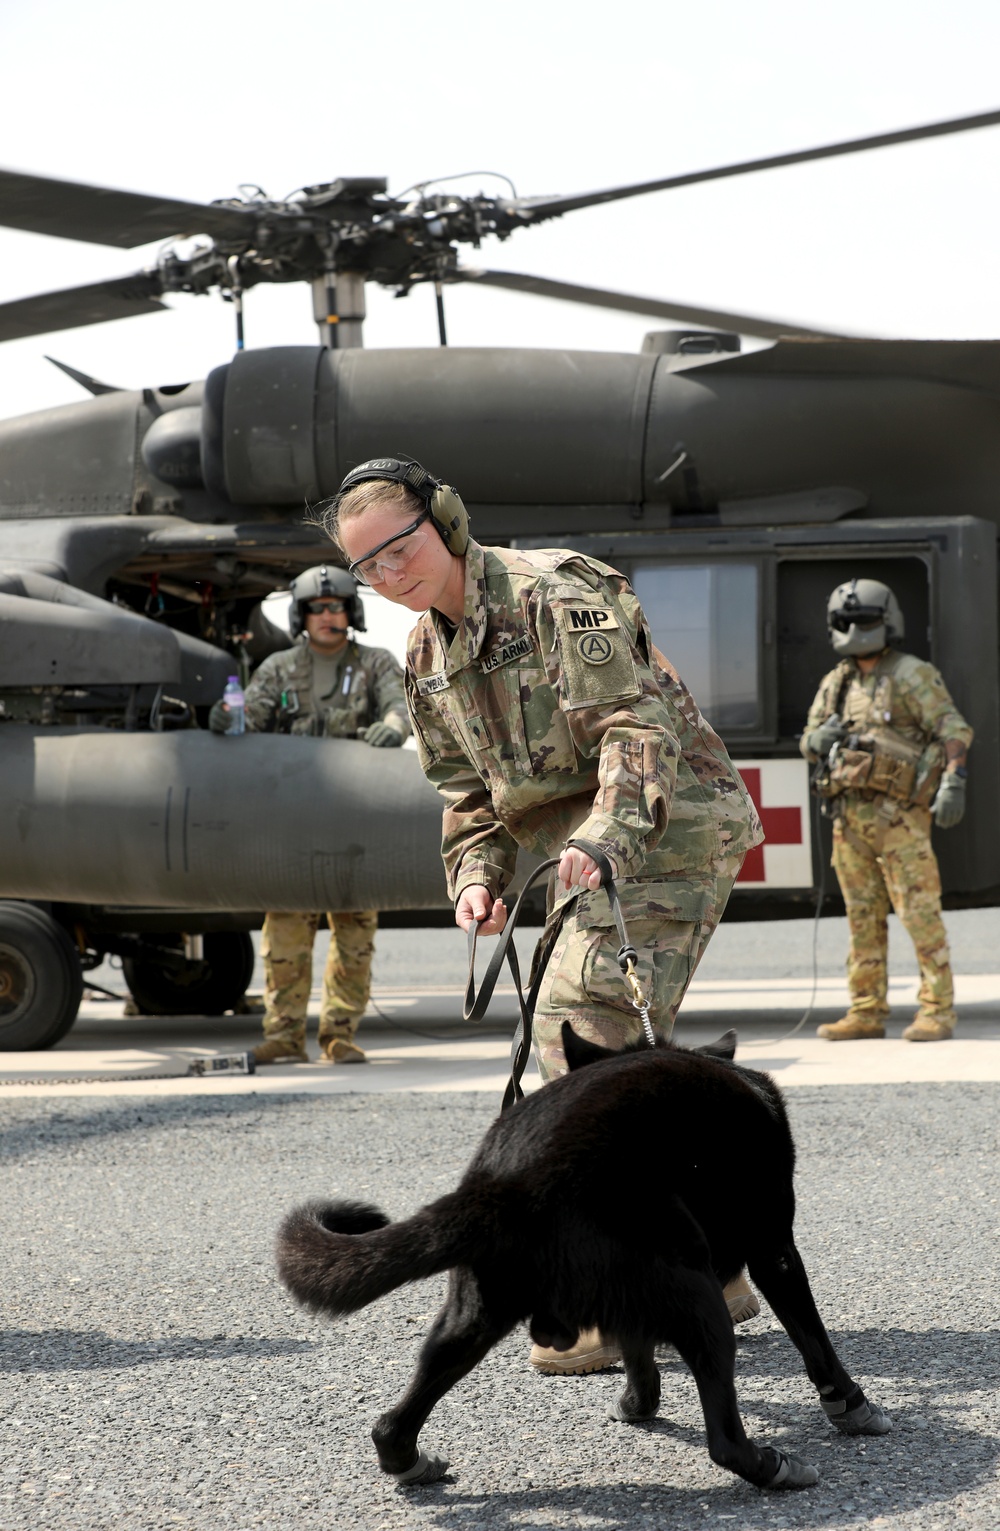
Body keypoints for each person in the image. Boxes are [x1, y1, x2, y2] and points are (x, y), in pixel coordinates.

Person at [324, 455, 765, 1374]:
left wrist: (606, 838)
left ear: (443, 521)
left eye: (399, 546)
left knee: (578, 1052)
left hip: (668, 829)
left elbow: (637, 734)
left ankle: (609, 1299)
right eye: (367, 567)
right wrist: (477, 876)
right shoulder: (422, 655)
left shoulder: (551, 596)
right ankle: (714, 1270)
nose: (389, 574)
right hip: (583, 859)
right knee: (624, 1075)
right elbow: (467, 792)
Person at [209, 564, 410, 1065]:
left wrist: (392, 726)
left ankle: (339, 1033)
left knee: (355, 936)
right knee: (284, 936)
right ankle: (283, 1035)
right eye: (317, 608)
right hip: (292, 827)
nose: (327, 615)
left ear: (351, 612)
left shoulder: (377, 665)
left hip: (355, 825)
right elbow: (247, 720)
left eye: (336, 606)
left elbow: (400, 708)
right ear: (302, 616)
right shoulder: (277, 669)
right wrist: (225, 717)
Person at [801, 577, 972, 1043]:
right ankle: (866, 1010)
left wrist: (953, 780)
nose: (855, 630)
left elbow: (953, 729)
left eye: (864, 621)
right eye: (847, 622)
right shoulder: (837, 683)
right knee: (862, 917)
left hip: (899, 820)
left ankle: (937, 1011)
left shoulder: (911, 674)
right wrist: (817, 741)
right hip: (848, 819)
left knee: (919, 914)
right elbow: (810, 737)